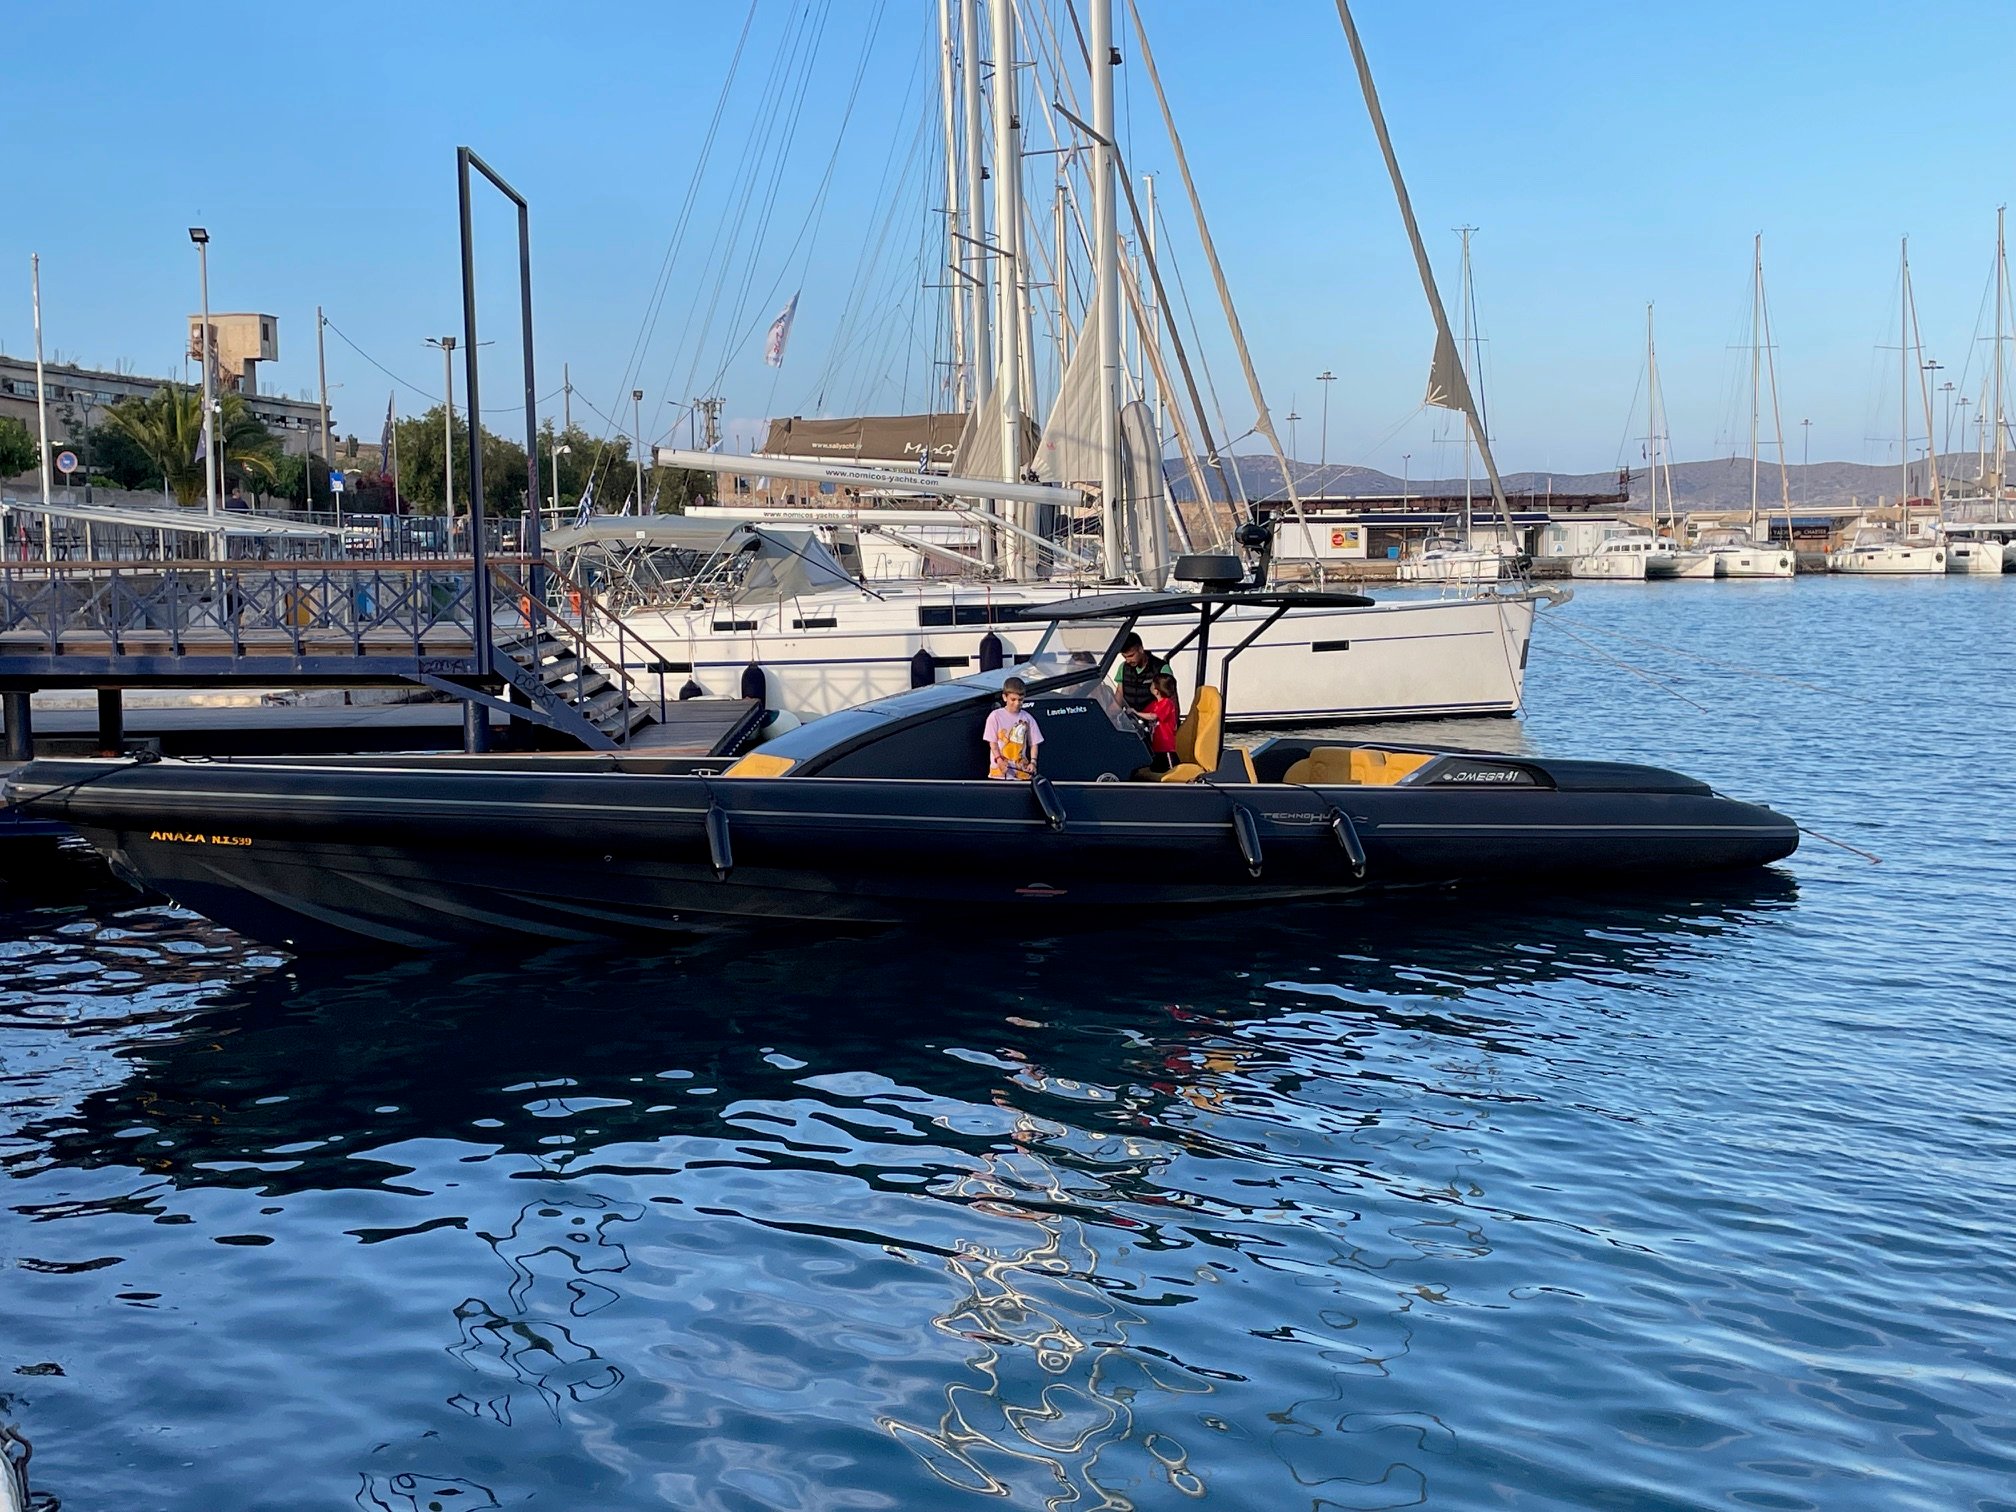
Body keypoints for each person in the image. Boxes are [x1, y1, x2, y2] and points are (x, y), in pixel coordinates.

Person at [983, 677, 1043, 780]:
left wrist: (1033, 762)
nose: (1017, 703)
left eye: (1020, 700)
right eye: (1013, 699)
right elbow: (992, 743)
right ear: (1005, 697)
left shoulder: (1027, 718)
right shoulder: (995, 716)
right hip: (999, 774)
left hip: (1020, 773)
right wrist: (999, 760)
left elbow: (1034, 743)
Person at [1109, 632, 1172, 713]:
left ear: (1141, 649)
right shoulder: (1123, 668)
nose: (1128, 661)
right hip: (1130, 720)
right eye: (1124, 657)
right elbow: (1119, 697)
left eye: (1131, 656)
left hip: (1154, 722)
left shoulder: (1161, 668)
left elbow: (1171, 703)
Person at [1139, 672, 1180, 772]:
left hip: (1166, 747)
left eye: (1152, 684)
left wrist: (1135, 712)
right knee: (1155, 770)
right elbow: (1145, 714)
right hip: (1156, 747)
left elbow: (1153, 716)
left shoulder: (1167, 703)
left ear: (1156, 691)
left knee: (1171, 771)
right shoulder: (1154, 704)